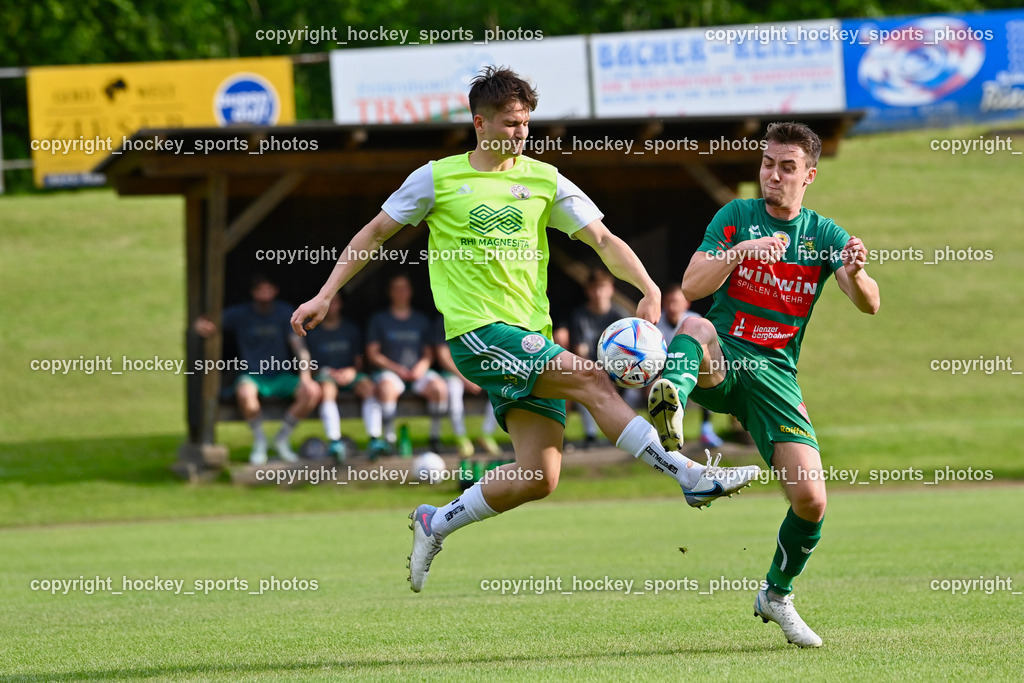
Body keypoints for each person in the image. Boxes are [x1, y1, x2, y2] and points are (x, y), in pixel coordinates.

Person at [290, 66, 760, 595]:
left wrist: (649, 287)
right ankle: (686, 474)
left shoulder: (543, 179)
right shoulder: (437, 178)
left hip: (528, 333)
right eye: (511, 123)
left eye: (527, 123)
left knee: (539, 475)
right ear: (479, 122)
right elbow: (373, 233)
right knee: (592, 381)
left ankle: (434, 523)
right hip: (478, 333)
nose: (521, 133)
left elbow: (602, 241)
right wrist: (325, 295)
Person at [647, 122, 880, 647]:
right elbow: (690, 285)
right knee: (694, 325)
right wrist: (740, 253)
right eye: (767, 164)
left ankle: (776, 594)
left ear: (809, 176)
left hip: (775, 374)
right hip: (722, 358)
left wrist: (857, 271)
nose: (773, 175)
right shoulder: (736, 216)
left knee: (811, 501)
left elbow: (868, 302)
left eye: (786, 168)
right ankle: (672, 404)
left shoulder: (824, 236)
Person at [195, 274, 320, 464]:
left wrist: (306, 375)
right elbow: (210, 323)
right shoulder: (240, 314)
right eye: (260, 290)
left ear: (275, 291)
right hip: (253, 374)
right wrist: (199, 326)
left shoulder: (285, 312)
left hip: (281, 374)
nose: (265, 295)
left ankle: (281, 438)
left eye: (268, 290)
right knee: (245, 394)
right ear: (253, 293)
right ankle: (260, 440)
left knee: (312, 391)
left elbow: (298, 345)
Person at [364, 273, 448, 457]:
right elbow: (372, 353)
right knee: (386, 388)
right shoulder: (379, 320)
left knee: (439, 388)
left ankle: (434, 437)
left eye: (405, 288)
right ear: (390, 292)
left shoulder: (421, 320)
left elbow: (428, 353)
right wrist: (397, 369)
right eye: (397, 288)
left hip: (417, 372)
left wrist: (421, 367)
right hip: (391, 372)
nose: (401, 292)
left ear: (410, 292)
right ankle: (390, 439)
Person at [304, 291, 375, 460]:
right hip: (325, 376)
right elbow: (308, 365)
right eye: (328, 302)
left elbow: (359, 361)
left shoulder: (351, 329)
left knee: (368, 387)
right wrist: (328, 372)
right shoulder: (311, 331)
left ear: (341, 305)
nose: (331, 306)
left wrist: (351, 371)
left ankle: (374, 438)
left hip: (350, 374)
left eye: (335, 302)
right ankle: (335, 441)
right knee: (327, 389)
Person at [568, 268, 629, 448]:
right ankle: (591, 436)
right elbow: (580, 352)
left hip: (619, 372)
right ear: (587, 291)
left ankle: (632, 435)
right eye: (594, 288)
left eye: (602, 287)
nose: (598, 293)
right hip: (592, 371)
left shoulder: (620, 316)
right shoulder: (579, 317)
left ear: (611, 289)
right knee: (581, 382)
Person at [658, 284, 724, 448]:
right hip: (662, 375)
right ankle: (658, 431)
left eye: (676, 302)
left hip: (694, 373)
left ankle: (706, 430)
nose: (672, 306)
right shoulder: (657, 324)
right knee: (655, 388)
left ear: (686, 304)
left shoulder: (694, 321)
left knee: (707, 377)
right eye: (669, 302)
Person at [432, 317, 496, 457]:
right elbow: (443, 356)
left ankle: (487, 434)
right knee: (454, 389)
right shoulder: (445, 320)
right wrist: (465, 378)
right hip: (454, 374)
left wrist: (480, 376)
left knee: (499, 387)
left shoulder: (485, 317)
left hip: (479, 372)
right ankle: (461, 437)